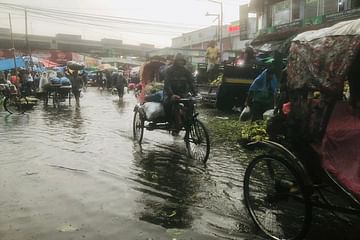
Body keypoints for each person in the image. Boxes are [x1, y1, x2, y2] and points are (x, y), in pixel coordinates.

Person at [163, 53, 196, 134]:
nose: (180, 62)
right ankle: (171, 122)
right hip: (171, 93)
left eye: (181, 61)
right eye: (179, 61)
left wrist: (195, 93)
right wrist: (172, 95)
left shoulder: (186, 71)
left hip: (183, 94)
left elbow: (191, 83)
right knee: (168, 105)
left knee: (191, 104)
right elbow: (167, 84)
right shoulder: (169, 70)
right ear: (175, 61)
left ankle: (187, 122)